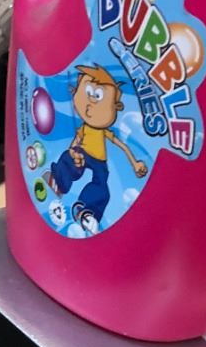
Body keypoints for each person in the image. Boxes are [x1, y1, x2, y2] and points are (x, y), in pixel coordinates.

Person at [48, 64, 146, 231]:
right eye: (87, 93)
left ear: (115, 106)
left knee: (102, 188)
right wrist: (72, 151)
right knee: (69, 158)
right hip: (83, 152)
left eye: (98, 97)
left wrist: (135, 163)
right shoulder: (84, 128)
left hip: (100, 160)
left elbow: (122, 145)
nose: (90, 104)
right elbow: (76, 141)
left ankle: (87, 210)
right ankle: (60, 179)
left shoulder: (104, 131)